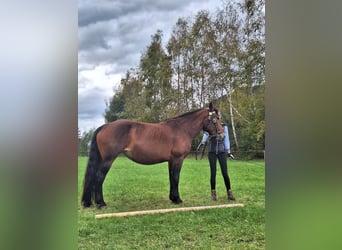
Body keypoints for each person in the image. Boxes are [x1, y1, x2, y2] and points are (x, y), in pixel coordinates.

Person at [200, 111, 236, 201]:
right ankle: (213, 194)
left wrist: (228, 151)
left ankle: (229, 193)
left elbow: (226, 139)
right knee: (213, 173)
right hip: (212, 152)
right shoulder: (210, 126)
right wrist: (204, 140)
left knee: (225, 173)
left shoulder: (224, 126)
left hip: (221, 152)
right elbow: (204, 138)